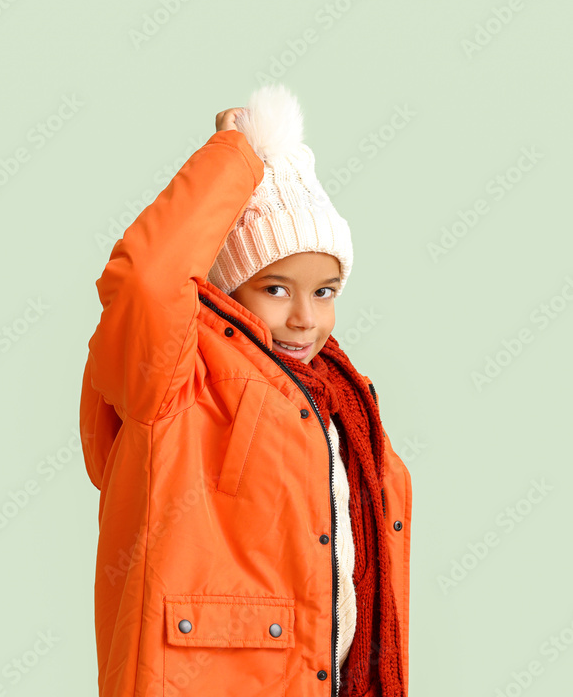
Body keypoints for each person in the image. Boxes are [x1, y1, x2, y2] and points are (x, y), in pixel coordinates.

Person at [80, 83, 412, 697]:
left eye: (325, 290)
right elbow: (148, 282)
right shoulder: (178, 377)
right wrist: (238, 153)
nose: (305, 319)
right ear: (230, 291)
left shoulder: (342, 405)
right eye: (276, 288)